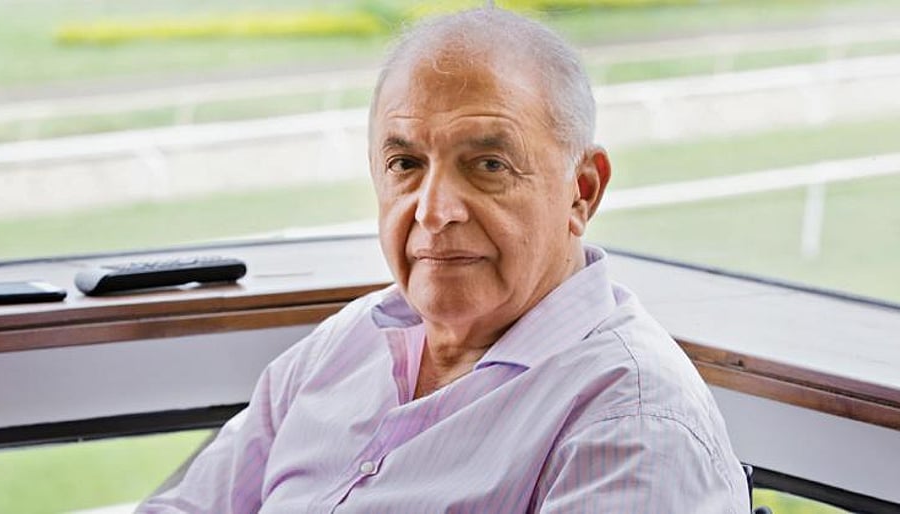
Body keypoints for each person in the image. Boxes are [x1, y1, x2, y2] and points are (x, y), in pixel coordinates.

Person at [140, 7, 749, 513]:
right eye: (405, 164)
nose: (434, 211)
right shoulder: (344, 345)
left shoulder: (633, 426)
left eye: (488, 165)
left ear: (582, 191)